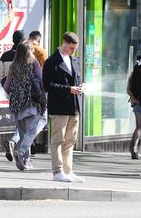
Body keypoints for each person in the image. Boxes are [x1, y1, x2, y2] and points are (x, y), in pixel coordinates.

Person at [42, 32, 84, 183]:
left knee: (70, 140)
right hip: (59, 106)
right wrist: (69, 89)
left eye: (75, 49)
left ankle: (68, 170)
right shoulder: (51, 61)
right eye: (71, 48)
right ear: (64, 43)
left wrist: (80, 86)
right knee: (58, 140)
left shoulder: (73, 60)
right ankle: (57, 171)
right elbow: (47, 86)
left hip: (74, 105)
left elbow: (76, 78)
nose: (73, 51)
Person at [3, 42, 46, 170]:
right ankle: (21, 152)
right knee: (34, 128)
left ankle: (25, 161)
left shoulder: (13, 66)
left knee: (23, 132)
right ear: (29, 52)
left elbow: (6, 86)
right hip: (31, 102)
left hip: (16, 105)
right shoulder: (33, 62)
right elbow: (41, 80)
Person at [0, 30, 24, 162]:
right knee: (24, 121)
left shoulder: (5, 55)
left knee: (20, 120)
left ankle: (16, 143)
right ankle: (14, 142)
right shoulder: (25, 56)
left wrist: (8, 88)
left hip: (11, 94)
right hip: (25, 95)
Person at [127, 73, 141, 160]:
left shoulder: (133, 74)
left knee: (139, 127)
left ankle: (134, 149)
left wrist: (134, 97)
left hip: (136, 103)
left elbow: (128, 89)